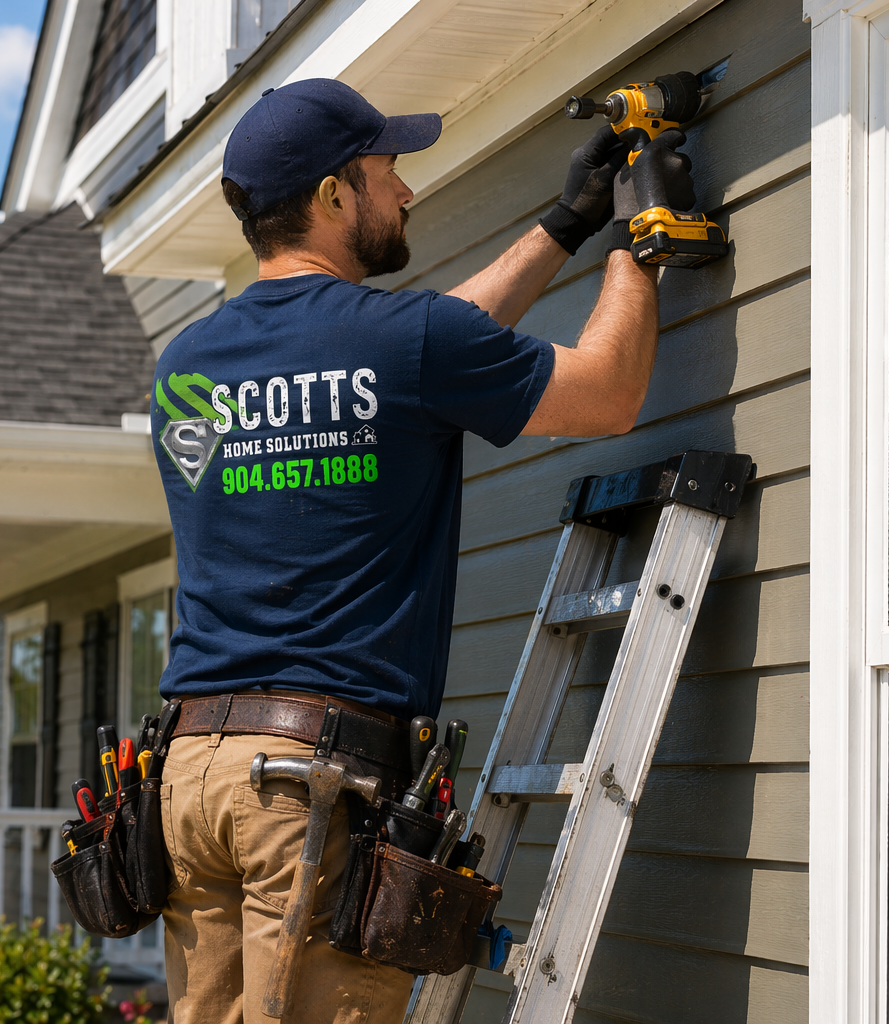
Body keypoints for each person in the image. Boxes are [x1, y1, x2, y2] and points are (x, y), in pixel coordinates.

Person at [147, 79, 693, 1023]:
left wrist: (562, 223)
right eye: (387, 172)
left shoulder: (187, 367)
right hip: (307, 790)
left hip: (193, 783)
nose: (406, 194)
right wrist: (634, 240)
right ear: (331, 196)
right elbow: (606, 393)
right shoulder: (404, 346)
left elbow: (409, 361)